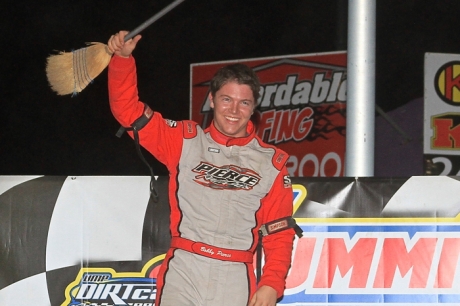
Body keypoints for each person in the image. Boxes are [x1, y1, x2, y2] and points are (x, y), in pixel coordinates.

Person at [107, 31, 295, 306]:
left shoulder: (272, 163)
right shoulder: (184, 140)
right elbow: (128, 112)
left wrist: (272, 283)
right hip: (185, 270)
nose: (234, 110)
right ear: (211, 100)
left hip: (236, 275)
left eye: (244, 102)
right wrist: (123, 60)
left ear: (254, 108)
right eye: (226, 99)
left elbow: (279, 232)